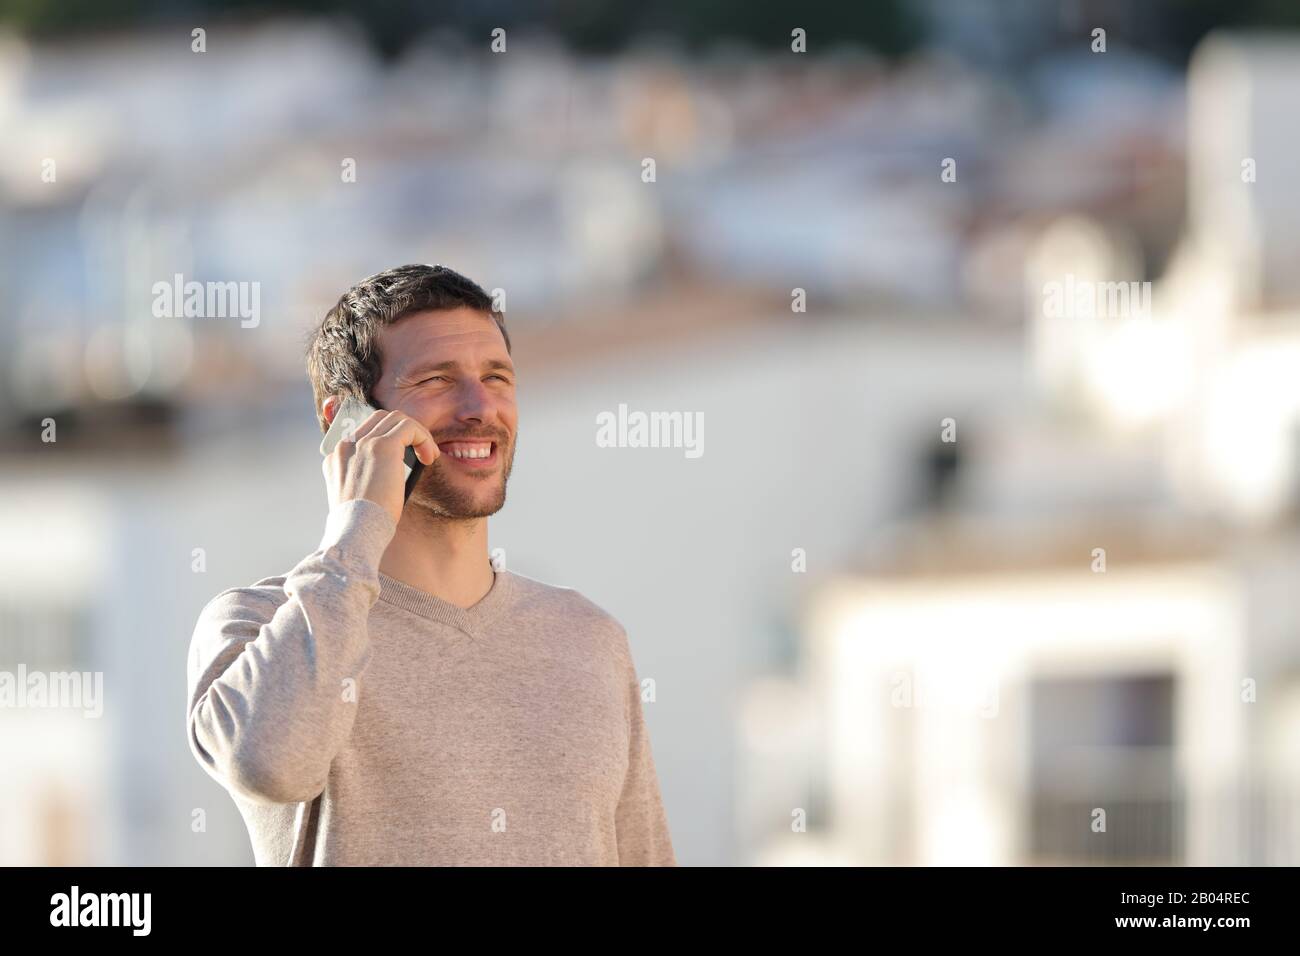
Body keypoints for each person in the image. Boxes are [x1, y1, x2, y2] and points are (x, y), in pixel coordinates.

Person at [184, 263, 676, 866]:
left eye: (496, 377)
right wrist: (356, 525)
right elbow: (270, 765)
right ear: (343, 421)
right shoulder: (261, 623)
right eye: (437, 379)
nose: (479, 406)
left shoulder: (590, 637)